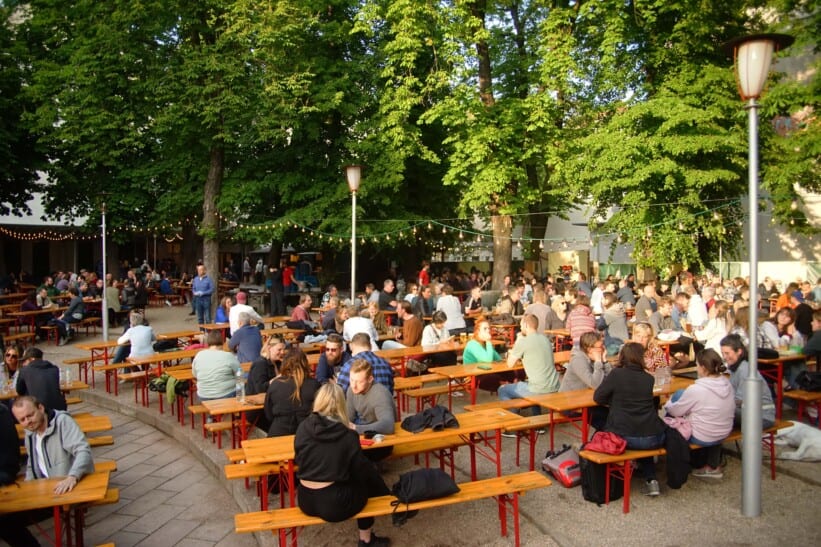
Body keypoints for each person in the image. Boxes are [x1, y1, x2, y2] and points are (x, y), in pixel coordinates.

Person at [294, 383, 391, 547]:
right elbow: (363, 472)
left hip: (305, 498)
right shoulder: (348, 435)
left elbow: (299, 460)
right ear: (341, 404)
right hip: (334, 504)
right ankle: (366, 539)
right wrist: (385, 493)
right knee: (362, 482)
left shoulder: (303, 428)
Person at [594, 342, 666, 496]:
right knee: (640, 432)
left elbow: (598, 397)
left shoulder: (616, 375)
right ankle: (651, 480)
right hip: (652, 437)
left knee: (600, 419)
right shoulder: (648, 379)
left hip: (625, 437)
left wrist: (615, 403)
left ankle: (609, 470)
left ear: (622, 357)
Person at [664, 349, 735, 479]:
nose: (696, 368)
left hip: (703, 435)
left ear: (703, 368)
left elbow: (674, 411)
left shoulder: (697, 389)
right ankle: (712, 464)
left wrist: (668, 403)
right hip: (724, 430)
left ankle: (671, 456)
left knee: (677, 399)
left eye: (697, 365)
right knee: (682, 395)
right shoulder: (727, 383)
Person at [13, 396, 94, 493]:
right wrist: (28, 487)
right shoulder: (30, 432)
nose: (28, 421)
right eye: (22, 420)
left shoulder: (62, 422)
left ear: (41, 408)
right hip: (47, 485)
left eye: (30, 415)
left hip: (71, 483)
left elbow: (83, 451)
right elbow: (32, 462)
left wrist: (73, 476)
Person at [498, 315, 559, 419]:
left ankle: (512, 422)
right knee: (531, 383)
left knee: (502, 390)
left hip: (538, 389)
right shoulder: (545, 339)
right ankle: (538, 424)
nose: (520, 328)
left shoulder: (523, 341)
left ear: (526, 325)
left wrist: (517, 341)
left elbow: (509, 364)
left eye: (521, 325)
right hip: (554, 385)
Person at [720, 334, 775, 429]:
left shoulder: (745, 370)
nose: (724, 357)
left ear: (739, 351)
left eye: (727, 353)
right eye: (723, 353)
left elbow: (738, 401)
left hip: (763, 417)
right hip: (752, 413)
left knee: (718, 412)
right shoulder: (736, 367)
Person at [264, 348, 320, 437]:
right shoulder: (314, 385)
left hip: (278, 433)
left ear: (285, 363)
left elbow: (268, 413)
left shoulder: (276, 384)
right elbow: (320, 412)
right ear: (305, 364)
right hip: (307, 434)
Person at [346, 359, 396, 436]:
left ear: (370, 379)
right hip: (365, 433)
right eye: (352, 380)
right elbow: (348, 418)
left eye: (359, 382)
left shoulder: (380, 394)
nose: (353, 386)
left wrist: (356, 428)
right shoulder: (351, 390)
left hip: (383, 438)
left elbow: (388, 426)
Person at [192, 331, 241, 403]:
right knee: (242, 386)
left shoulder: (199, 355)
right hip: (225, 394)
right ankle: (240, 411)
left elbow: (194, 374)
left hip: (203, 395)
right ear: (223, 342)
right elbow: (239, 374)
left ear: (208, 343)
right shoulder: (228, 356)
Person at [16, 347, 67, 412]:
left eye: (25, 361)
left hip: (40, 410)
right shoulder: (54, 369)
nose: (23, 363)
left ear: (32, 359)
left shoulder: (24, 370)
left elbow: (19, 390)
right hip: (60, 408)